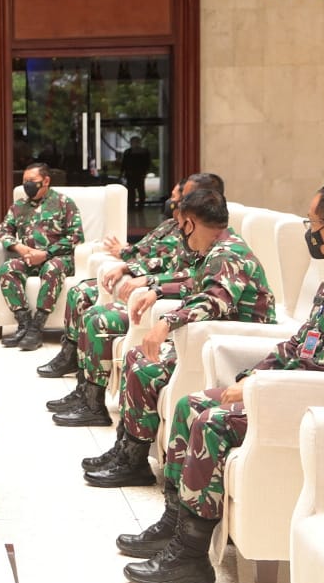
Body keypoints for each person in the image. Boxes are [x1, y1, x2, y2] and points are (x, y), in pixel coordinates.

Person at [120, 180, 324, 583]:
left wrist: (258, 388)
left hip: (320, 405)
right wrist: (252, 376)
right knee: (190, 405)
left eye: (312, 223)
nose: (309, 231)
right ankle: (177, 526)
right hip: (291, 389)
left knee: (212, 422)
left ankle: (192, 556)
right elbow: (299, 344)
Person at [83, 187, 275, 487]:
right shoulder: (217, 249)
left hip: (233, 348)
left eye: (182, 225)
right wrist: (158, 290)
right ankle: (128, 450)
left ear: (189, 223)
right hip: (208, 340)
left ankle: (133, 461)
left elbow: (214, 300)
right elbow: (194, 284)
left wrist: (166, 323)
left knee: (145, 367)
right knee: (136, 356)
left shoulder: (228, 254)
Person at [48, 173, 225, 427]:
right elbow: (156, 256)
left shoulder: (214, 244)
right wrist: (132, 265)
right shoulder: (183, 228)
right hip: (166, 299)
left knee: (99, 320)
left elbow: (191, 277)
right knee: (86, 303)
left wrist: (154, 287)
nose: (175, 202)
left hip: (191, 321)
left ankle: (95, 405)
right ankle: (85, 392)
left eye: (183, 196)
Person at [0, 162, 84, 351]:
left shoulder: (64, 203)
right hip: (29, 257)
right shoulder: (18, 206)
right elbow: (3, 232)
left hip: (58, 258)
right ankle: (24, 324)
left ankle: (36, 328)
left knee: (52, 268)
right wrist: (19, 247)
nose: (27, 185)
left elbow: (76, 236)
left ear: (46, 181)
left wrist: (46, 254)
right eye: (24, 181)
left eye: (32, 180)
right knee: (7, 269)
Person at [120, 136, 152, 209]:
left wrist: (145, 172)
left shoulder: (144, 152)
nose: (135, 144)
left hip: (140, 174)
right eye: (133, 142)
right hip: (130, 174)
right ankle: (131, 205)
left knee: (140, 190)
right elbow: (124, 163)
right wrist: (122, 172)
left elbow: (147, 163)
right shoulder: (128, 152)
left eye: (136, 142)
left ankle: (140, 206)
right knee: (131, 191)